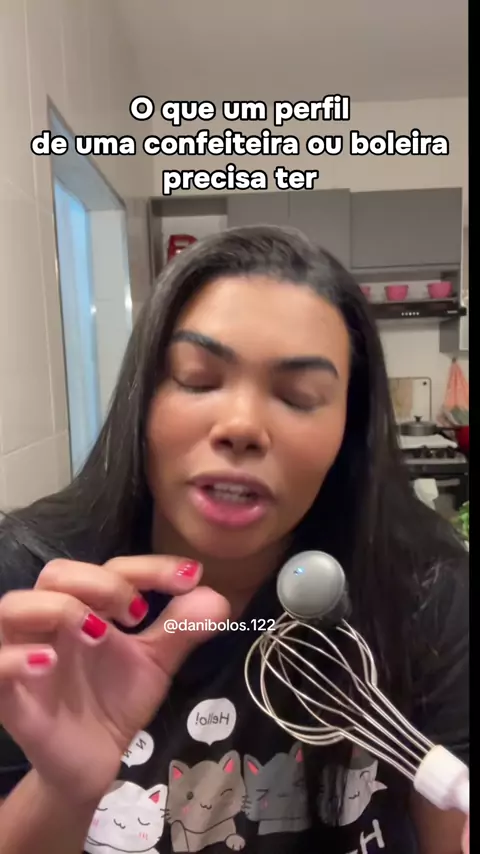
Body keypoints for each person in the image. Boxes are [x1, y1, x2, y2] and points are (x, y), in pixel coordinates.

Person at [0, 225, 468, 854]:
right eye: (197, 379)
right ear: (143, 400)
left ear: (347, 430)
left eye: (299, 397)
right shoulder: (30, 591)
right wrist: (60, 792)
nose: (242, 426)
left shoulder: (426, 594)